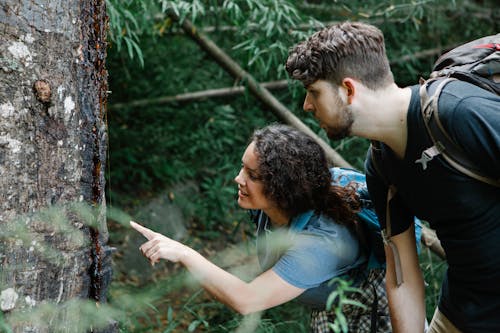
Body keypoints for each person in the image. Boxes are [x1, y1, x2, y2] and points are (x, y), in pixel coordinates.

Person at [285, 21, 500, 333]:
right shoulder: (380, 165)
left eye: (313, 92)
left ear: (348, 90)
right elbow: (401, 278)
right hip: (461, 313)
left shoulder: (457, 112)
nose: (307, 105)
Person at [131, 124, 391, 332]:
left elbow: (248, 300)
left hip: (372, 315)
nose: (238, 179)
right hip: (330, 310)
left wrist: (184, 254)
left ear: (284, 187)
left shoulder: (320, 244)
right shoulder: (271, 207)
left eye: (252, 175)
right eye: (243, 168)